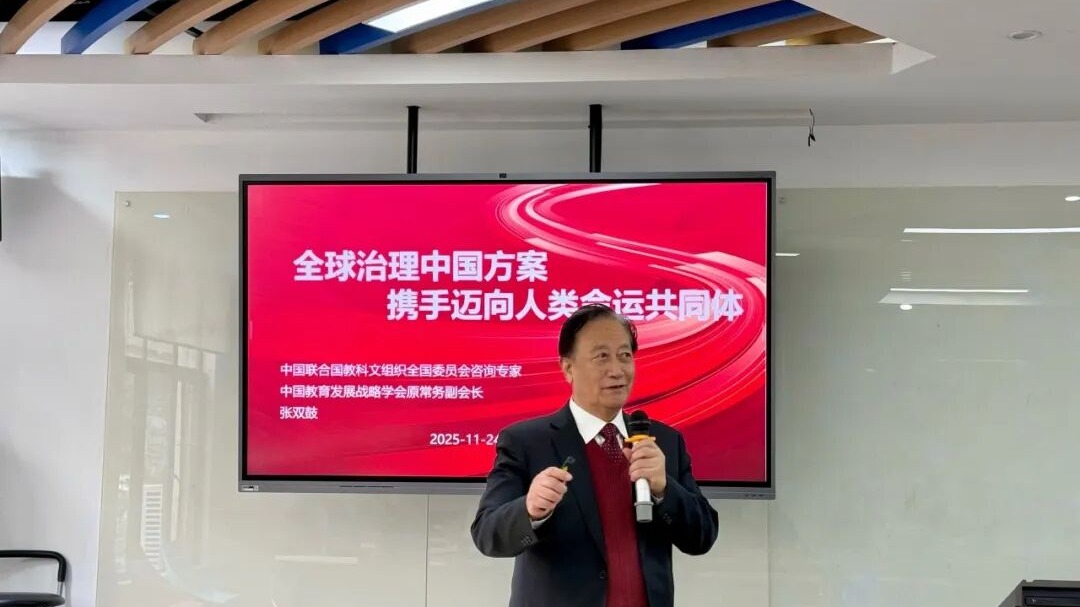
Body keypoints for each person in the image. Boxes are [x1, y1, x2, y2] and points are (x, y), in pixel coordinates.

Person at [471, 304, 719, 607]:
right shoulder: (527, 442)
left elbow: (701, 538)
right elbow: (487, 535)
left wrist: (664, 489)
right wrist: (530, 509)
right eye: (601, 356)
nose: (617, 369)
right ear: (567, 368)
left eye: (625, 355)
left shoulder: (664, 441)